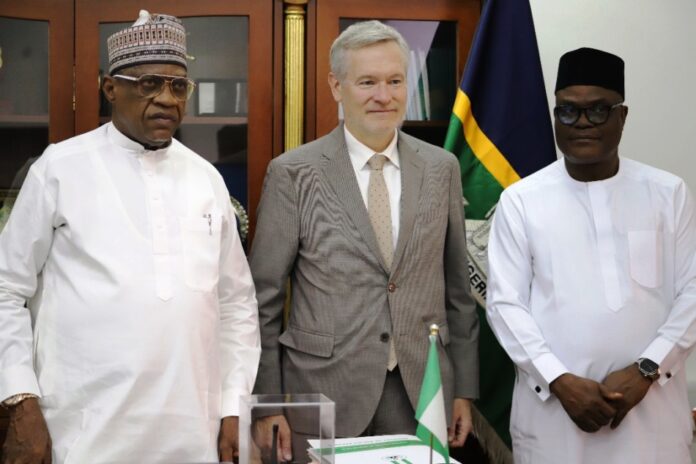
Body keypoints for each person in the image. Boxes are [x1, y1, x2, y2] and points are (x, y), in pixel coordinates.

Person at [0, 11, 260, 463]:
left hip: (193, 438)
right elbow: (6, 289)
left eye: (179, 86)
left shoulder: (206, 180)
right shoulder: (59, 169)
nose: (166, 99)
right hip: (81, 436)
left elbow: (236, 305)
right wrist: (20, 400)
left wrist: (234, 408)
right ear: (110, 88)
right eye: (148, 84)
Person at [249, 20, 479, 462]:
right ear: (337, 87)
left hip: (421, 392)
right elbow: (264, 299)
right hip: (321, 393)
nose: (384, 95)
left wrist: (463, 390)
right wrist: (268, 402)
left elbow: (458, 292)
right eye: (368, 82)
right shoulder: (293, 173)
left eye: (395, 81)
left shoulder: (441, 167)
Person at [486, 47, 696, 463]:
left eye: (598, 110)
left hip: (651, 417)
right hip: (555, 419)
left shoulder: (667, 193)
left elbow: (692, 293)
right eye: (568, 111)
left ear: (623, 115)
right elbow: (505, 305)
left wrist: (646, 370)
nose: (582, 123)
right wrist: (559, 380)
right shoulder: (521, 201)